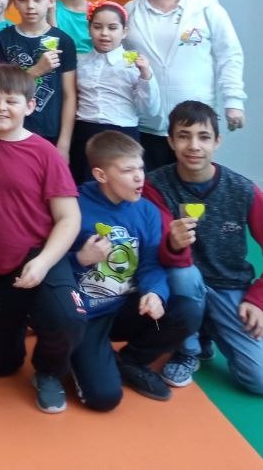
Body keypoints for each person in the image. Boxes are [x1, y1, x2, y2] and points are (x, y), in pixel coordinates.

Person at [145, 101, 263, 396]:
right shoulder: (155, 186)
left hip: (229, 288)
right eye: (184, 136)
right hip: (179, 286)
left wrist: (260, 301)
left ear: (217, 142)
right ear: (170, 141)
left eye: (203, 137)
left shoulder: (242, 190)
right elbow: (150, 251)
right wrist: (172, 244)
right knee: (184, 274)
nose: (194, 146)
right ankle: (188, 350)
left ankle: (206, 330)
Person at [0, 65, 85, 414]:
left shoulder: (44, 152)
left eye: (11, 101)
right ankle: (11, 321)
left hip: (39, 255)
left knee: (69, 319)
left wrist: (44, 262)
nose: (1, 107)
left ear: (30, 106)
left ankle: (48, 372)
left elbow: (69, 218)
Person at [68, 131, 198, 409]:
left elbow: (151, 262)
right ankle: (79, 357)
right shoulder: (74, 206)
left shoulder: (146, 211)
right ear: (101, 175)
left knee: (188, 310)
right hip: (87, 315)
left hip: (128, 308)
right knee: (104, 398)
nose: (140, 177)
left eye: (141, 167)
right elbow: (49, 263)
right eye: (128, 170)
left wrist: (155, 293)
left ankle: (132, 360)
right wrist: (80, 258)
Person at [126, 0, 246, 170]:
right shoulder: (131, 11)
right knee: (151, 184)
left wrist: (234, 101)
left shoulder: (206, 7)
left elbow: (229, 55)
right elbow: (120, 59)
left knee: (192, 182)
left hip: (194, 121)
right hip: (147, 121)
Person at [70, 0, 160, 183]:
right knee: (85, 188)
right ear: (89, 29)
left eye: (112, 28)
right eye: (97, 27)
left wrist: (145, 75)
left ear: (124, 31)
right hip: (85, 133)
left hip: (122, 135)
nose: (104, 33)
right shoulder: (80, 61)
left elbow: (150, 109)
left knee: (120, 186)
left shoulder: (134, 64)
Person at [0, 0, 77, 159]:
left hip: (51, 132)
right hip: (12, 129)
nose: (30, 6)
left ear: (51, 0)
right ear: (14, 1)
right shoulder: (3, 39)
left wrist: (64, 143)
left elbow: (69, 95)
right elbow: (2, 88)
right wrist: (37, 70)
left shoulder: (64, 41)